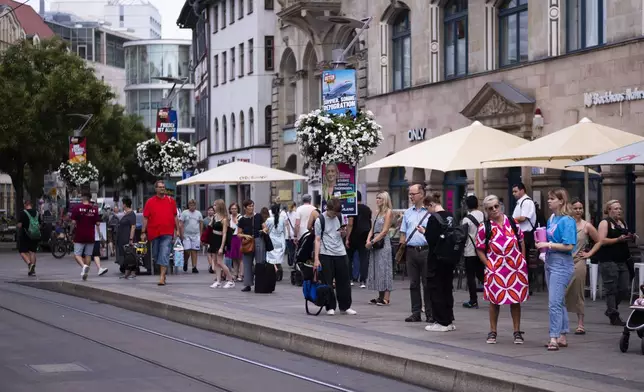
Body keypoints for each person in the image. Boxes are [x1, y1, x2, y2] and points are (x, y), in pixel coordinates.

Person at [475, 195, 527, 344]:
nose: (494, 210)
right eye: (490, 208)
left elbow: (521, 241)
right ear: (486, 210)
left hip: (515, 268)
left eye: (496, 206)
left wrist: (522, 259)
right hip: (496, 268)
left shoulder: (512, 222)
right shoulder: (484, 227)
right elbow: (479, 249)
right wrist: (488, 265)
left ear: (500, 206)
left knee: (515, 300)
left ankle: (517, 332)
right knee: (494, 301)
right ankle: (493, 331)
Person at [535, 188, 577, 351]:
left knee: (553, 302)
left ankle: (553, 337)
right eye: (549, 198)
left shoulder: (567, 220)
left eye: (552, 199)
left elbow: (569, 245)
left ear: (561, 201)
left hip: (562, 263)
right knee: (558, 301)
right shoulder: (552, 218)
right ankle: (562, 335)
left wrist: (548, 244)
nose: (549, 201)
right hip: (550, 261)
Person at [313, 197, 356, 316]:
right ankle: (330, 306)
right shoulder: (320, 219)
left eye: (337, 213)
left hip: (340, 252)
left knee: (344, 280)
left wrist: (344, 233)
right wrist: (316, 259)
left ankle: (345, 306)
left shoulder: (341, 216)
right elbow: (317, 239)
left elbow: (344, 234)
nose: (335, 215)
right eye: (333, 213)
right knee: (327, 281)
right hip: (325, 253)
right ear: (328, 208)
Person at [420, 192, 455, 332]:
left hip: (436, 259)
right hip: (449, 258)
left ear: (432, 204)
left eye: (427, 208)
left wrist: (424, 232)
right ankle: (449, 320)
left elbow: (431, 240)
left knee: (435, 288)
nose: (427, 212)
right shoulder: (451, 216)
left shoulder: (434, 218)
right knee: (447, 288)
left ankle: (440, 321)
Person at [595, 199, 633, 326]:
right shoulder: (604, 223)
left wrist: (630, 237)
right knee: (611, 289)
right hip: (608, 260)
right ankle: (613, 315)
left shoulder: (622, 222)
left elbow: (624, 237)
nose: (619, 211)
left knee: (624, 288)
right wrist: (618, 239)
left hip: (622, 260)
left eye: (620, 208)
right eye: (616, 209)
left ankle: (611, 309)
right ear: (609, 210)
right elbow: (601, 240)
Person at [568, 199, 602, 334]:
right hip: (565, 262)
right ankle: (561, 321)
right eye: (575, 208)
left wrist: (589, 253)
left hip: (579, 261)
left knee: (579, 292)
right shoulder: (566, 224)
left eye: (580, 208)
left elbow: (599, 240)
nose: (578, 211)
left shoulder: (586, 226)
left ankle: (580, 324)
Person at [399, 184, 432, 323]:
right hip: (411, 250)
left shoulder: (430, 211)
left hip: (426, 250)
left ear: (421, 194)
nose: (411, 197)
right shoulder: (408, 212)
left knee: (427, 283)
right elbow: (403, 232)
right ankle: (415, 312)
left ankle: (430, 313)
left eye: (413, 194)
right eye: (410, 194)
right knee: (413, 283)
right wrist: (402, 248)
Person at [141, 180, 179, 286]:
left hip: (167, 232)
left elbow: (175, 216)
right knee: (156, 254)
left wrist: (177, 230)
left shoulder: (171, 201)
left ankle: (162, 276)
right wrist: (143, 232)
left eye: (163, 187)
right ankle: (162, 271)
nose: (162, 188)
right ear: (156, 189)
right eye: (160, 187)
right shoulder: (150, 202)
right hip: (154, 233)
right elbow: (145, 218)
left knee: (165, 252)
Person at [366, 192, 394, 306]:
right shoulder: (377, 213)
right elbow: (372, 229)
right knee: (377, 269)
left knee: (385, 269)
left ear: (385, 200)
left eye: (380, 198)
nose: (377, 200)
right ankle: (380, 296)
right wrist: (368, 240)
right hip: (376, 242)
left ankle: (386, 298)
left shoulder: (388, 212)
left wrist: (373, 241)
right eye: (377, 198)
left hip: (383, 243)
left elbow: (385, 231)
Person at [512, 183, 537, 293]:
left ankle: (526, 284)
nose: (514, 194)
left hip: (525, 235)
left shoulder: (526, 202)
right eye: (513, 192)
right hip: (520, 234)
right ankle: (522, 282)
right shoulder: (520, 202)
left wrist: (510, 221)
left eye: (516, 191)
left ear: (522, 190)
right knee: (520, 259)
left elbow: (523, 217)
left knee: (524, 259)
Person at [71, 193, 102, 281]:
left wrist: (71, 232)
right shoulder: (95, 209)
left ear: (82, 199)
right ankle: (85, 273)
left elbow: (73, 222)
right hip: (90, 235)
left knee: (77, 254)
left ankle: (83, 266)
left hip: (80, 235)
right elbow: (98, 223)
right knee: (88, 254)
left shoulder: (76, 208)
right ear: (89, 199)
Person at [462, 195, 485, 309]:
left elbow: (463, 235)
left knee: (470, 276)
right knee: (482, 274)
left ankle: (473, 300)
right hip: (482, 249)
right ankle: (494, 293)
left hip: (470, 250)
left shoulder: (467, 219)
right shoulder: (483, 215)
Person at [238, 199, 265, 292]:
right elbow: (238, 234)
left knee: (260, 262)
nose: (251, 208)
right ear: (245, 208)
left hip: (258, 240)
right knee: (247, 263)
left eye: (252, 206)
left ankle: (260, 283)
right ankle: (248, 284)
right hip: (247, 242)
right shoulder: (242, 219)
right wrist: (245, 235)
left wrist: (263, 230)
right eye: (249, 206)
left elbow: (265, 227)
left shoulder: (258, 216)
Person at [346, 191, 372, 287]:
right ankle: (363, 281)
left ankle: (350, 279)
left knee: (349, 258)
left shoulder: (352, 208)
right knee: (363, 258)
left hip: (354, 235)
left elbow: (350, 224)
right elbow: (369, 222)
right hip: (364, 235)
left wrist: (347, 238)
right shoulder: (367, 209)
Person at [208, 199, 235, 289]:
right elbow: (209, 226)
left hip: (220, 240)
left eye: (215, 205)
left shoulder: (224, 219)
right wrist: (212, 219)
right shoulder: (215, 217)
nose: (213, 207)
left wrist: (222, 247)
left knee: (220, 262)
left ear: (219, 206)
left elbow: (224, 234)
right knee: (215, 262)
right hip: (214, 239)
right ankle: (218, 281)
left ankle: (230, 280)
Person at [180, 199, 203, 273]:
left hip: (196, 235)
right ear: (188, 205)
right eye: (190, 205)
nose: (192, 207)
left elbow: (201, 224)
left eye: (193, 205)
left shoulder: (198, 213)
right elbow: (181, 224)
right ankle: (185, 261)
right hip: (186, 235)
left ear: (195, 206)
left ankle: (194, 267)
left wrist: (201, 234)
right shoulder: (184, 213)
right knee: (187, 250)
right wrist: (181, 234)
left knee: (194, 251)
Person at [17, 200, 39, 277]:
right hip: (35, 235)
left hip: (25, 235)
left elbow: (20, 225)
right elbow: (39, 223)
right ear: (31, 205)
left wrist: (19, 226)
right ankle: (32, 272)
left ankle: (30, 264)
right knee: (32, 252)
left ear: (25, 205)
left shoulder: (23, 213)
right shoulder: (37, 212)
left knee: (22, 251)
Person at [116, 197, 137, 279]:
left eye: (122, 203)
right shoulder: (126, 214)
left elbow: (133, 227)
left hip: (127, 238)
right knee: (127, 256)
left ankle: (132, 273)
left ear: (124, 204)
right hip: (123, 238)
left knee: (130, 256)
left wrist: (131, 239)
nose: (122, 205)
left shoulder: (131, 214)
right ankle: (127, 273)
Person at [266, 203, 286, 274]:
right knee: (278, 257)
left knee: (271, 257)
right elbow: (284, 230)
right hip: (280, 240)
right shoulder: (282, 219)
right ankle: (279, 268)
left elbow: (266, 230)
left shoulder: (269, 220)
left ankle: (274, 269)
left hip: (272, 240)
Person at [226, 203, 243, 281]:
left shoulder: (240, 217)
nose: (233, 210)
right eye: (232, 209)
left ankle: (241, 274)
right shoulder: (229, 218)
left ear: (238, 209)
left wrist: (237, 222)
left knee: (240, 257)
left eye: (235, 208)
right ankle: (235, 274)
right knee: (234, 257)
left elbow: (242, 228)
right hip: (231, 238)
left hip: (239, 237)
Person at [284, 202, 299, 266]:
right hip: (295, 234)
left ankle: (290, 262)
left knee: (290, 250)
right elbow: (296, 224)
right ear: (294, 207)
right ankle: (293, 262)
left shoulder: (286, 214)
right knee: (294, 250)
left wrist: (289, 234)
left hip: (288, 235)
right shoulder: (296, 214)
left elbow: (287, 224)